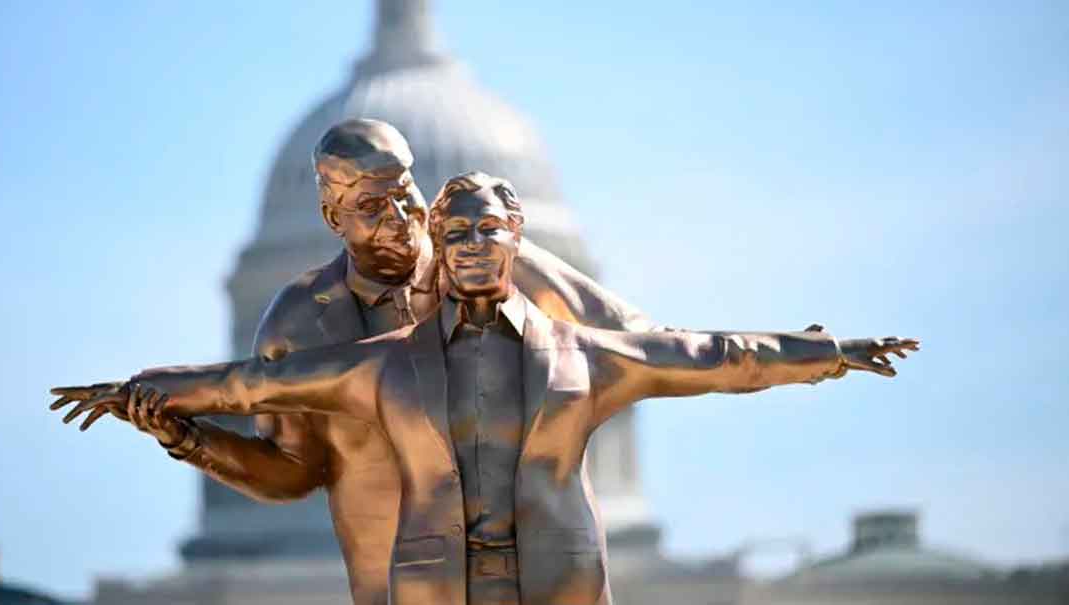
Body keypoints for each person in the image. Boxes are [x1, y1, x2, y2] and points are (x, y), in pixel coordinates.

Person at [54, 171, 918, 605]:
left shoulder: (585, 354)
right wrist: (143, 391)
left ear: (519, 239)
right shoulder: (385, 361)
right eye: (453, 229)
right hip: (434, 584)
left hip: (558, 579)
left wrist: (827, 350)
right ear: (434, 239)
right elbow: (254, 381)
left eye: (488, 229)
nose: (469, 243)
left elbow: (715, 352)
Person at [52, 120, 659, 605]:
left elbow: (646, 347)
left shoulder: (495, 266)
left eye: (406, 196)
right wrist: (184, 438)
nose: (400, 220)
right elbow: (293, 470)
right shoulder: (297, 323)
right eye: (373, 206)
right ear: (331, 217)